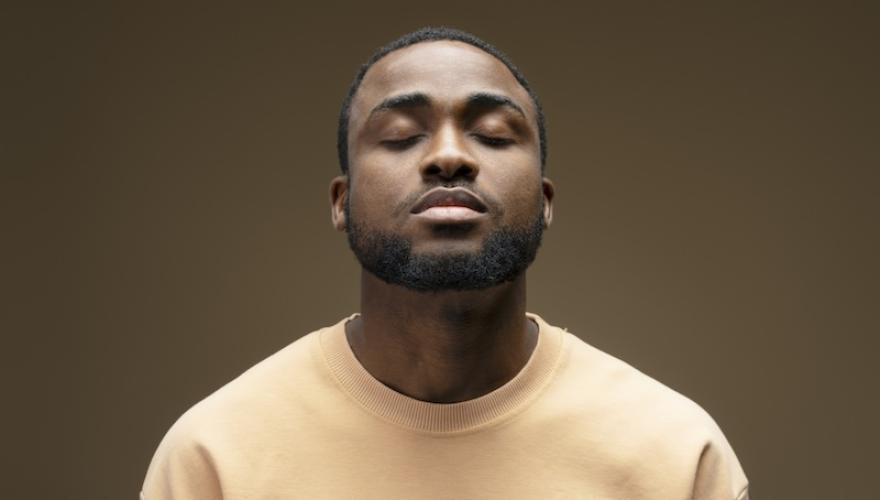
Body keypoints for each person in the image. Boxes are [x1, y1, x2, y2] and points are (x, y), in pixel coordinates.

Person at [141, 27, 750, 500]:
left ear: (543, 202)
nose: (450, 156)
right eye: (403, 135)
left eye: (492, 133)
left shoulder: (673, 455)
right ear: (341, 201)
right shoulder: (215, 457)